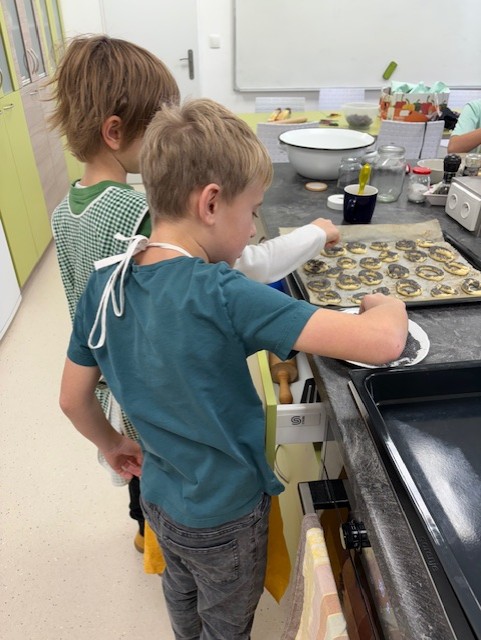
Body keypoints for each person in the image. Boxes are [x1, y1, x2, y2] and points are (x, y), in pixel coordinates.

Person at [59, 97, 408, 639]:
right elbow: (383, 342)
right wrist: (387, 303)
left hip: (160, 498)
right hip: (226, 514)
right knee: (227, 623)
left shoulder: (105, 282)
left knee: (181, 592)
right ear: (211, 203)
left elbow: (71, 399)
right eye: (251, 212)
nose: (250, 233)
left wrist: (112, 443)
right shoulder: (224, 293)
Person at [49, 35, 344, 554]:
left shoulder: (65, 210)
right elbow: (247, 266)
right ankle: (169, 543)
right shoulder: (137, 216)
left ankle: (149, 534)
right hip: (159, 390)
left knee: (140, 471)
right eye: (158, 126)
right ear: (115, 132)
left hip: (113, 379)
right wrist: (315, 234)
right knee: (164, 465)